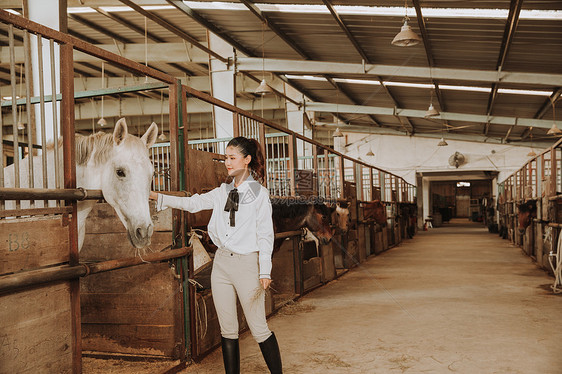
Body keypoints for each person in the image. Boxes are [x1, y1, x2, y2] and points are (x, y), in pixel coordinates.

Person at [150, 136, 282, 374]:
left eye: (232, 158)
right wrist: (158, 197)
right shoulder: (223, 191)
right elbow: (193, 203)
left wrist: (265, 270)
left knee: (259, 328)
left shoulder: (259, 194)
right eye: (226, 158)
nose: (227, 163)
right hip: (221, 263)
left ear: (247, 159)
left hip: (247, 266)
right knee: (227, 329)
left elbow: (265, 235)